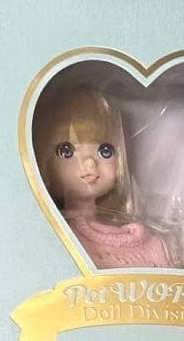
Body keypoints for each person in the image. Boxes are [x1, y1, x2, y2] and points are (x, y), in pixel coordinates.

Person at [34, 87, 172, 269]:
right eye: (67, 151)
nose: (90, 163)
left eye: (105, 151)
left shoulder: (146, 243)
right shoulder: (53, 236)